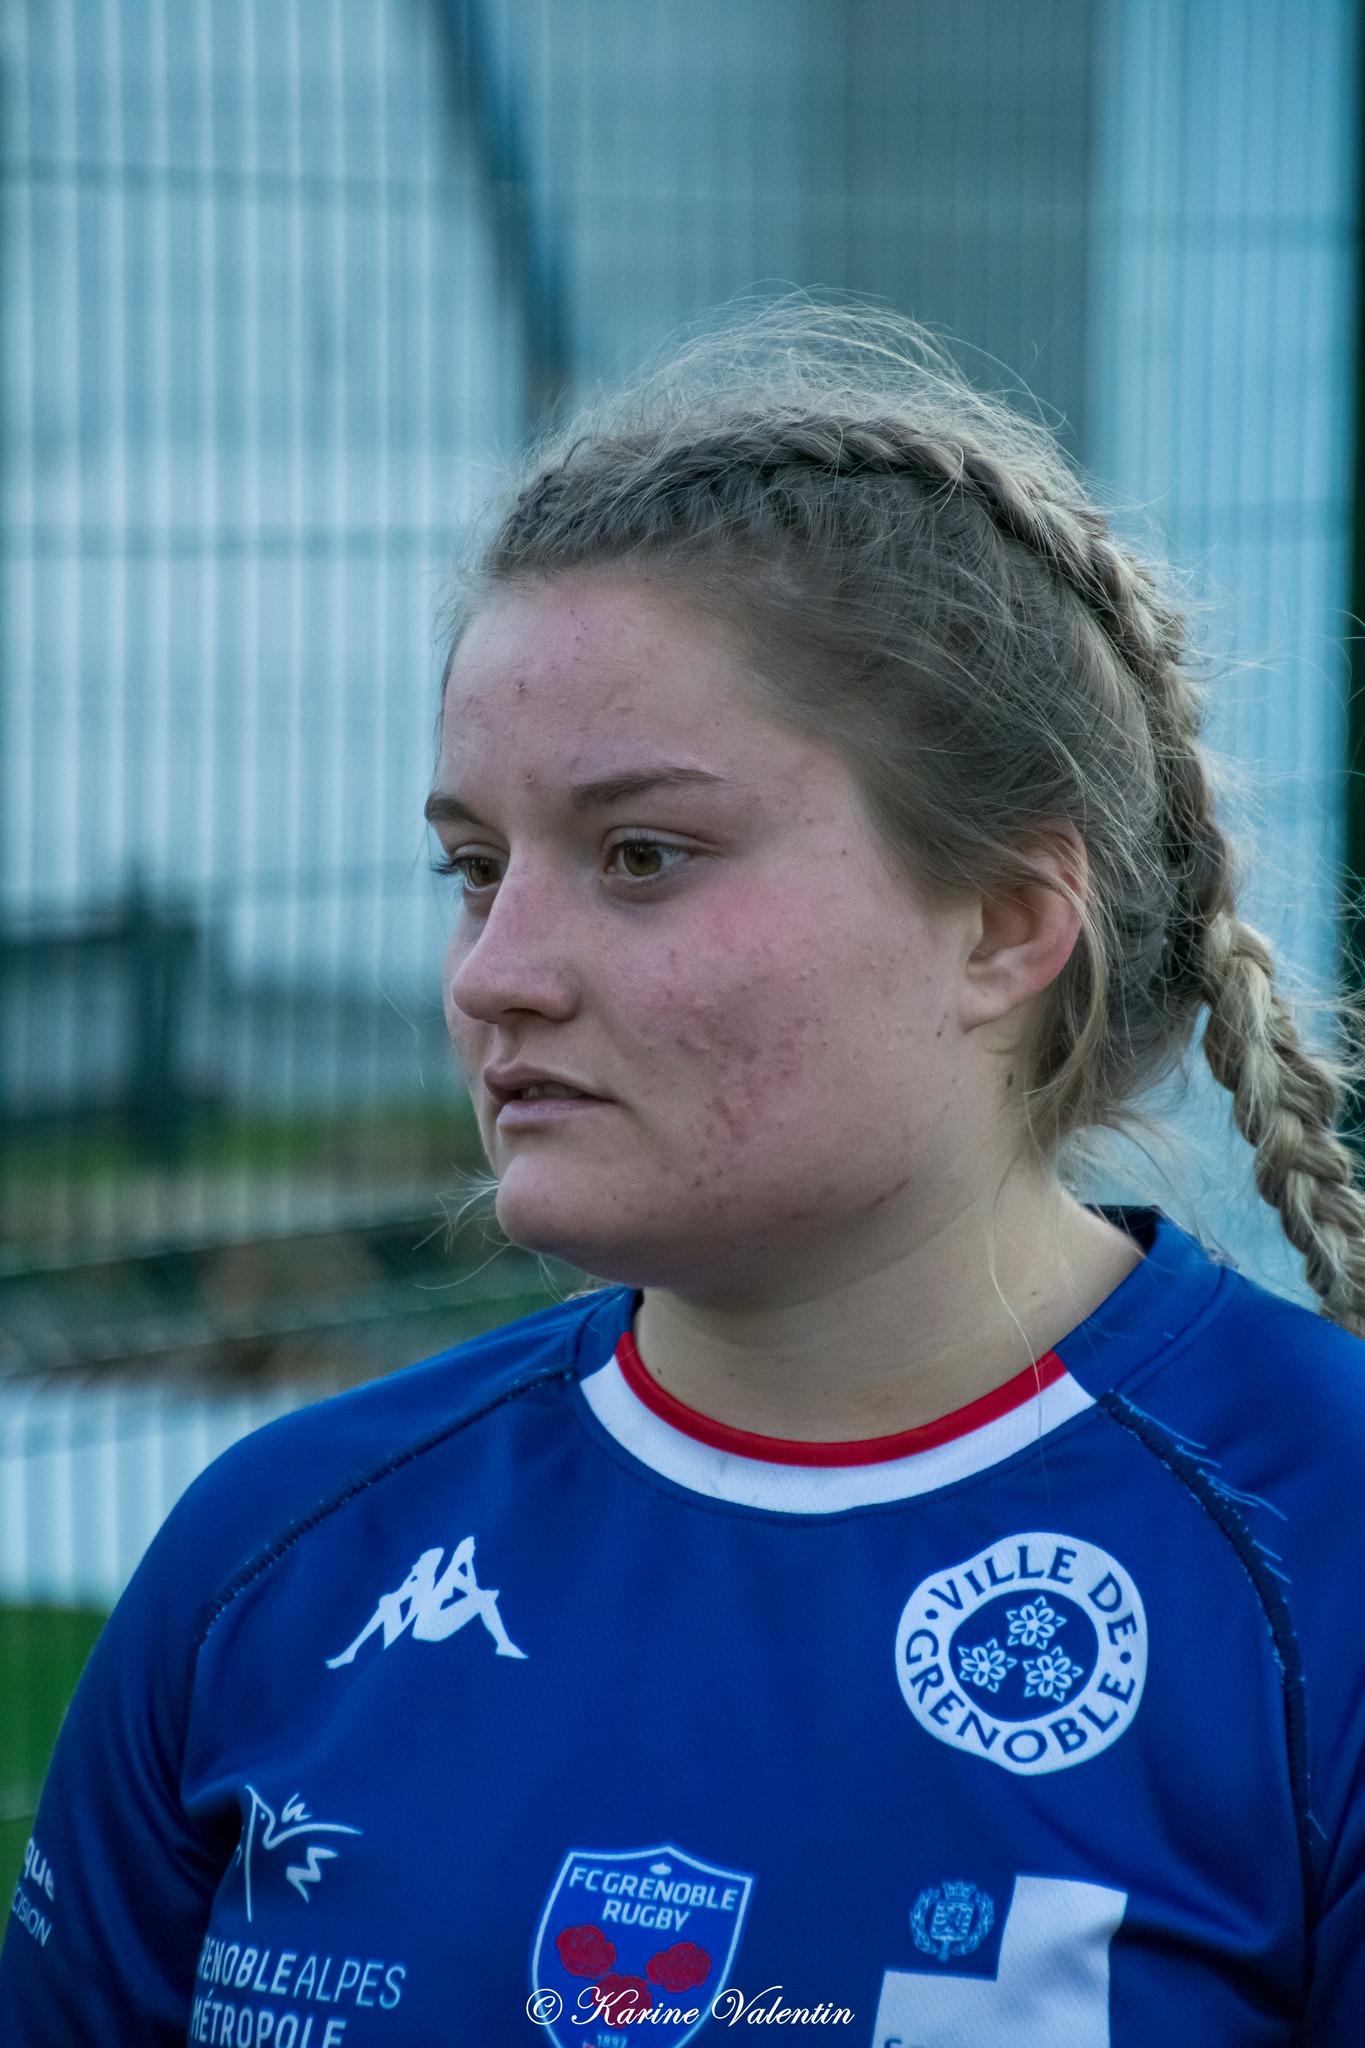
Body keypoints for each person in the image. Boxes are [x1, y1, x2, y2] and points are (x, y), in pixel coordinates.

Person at [5, 305, 1365, 2048]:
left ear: (1010, 923)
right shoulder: (280, 1555)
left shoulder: (1312, 1552)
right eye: (473, 867)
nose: (499, 969)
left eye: (641, 856)